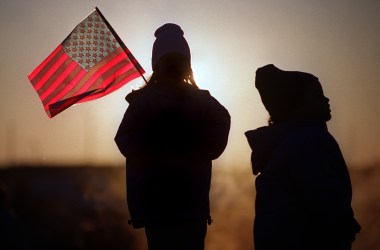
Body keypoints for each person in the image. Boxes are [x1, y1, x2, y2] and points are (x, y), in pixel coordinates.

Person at [115, 23, 230, 250]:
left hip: (190, 206)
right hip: (158, 206)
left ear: (188, 65)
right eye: (169, 62)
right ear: (157, 66)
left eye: (179, 61)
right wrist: (154, 134)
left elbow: (219, 129)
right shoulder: (144, 103)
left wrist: (194, 137)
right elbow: (125, 140)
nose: (174, 67)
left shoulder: (201, 101)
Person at [245, 64, 361, 250]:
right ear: (296, 105)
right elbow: (322, 193)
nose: (326, 99)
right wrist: (342, 224)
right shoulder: (307, 140)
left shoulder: (286, 142)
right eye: (317, 95)